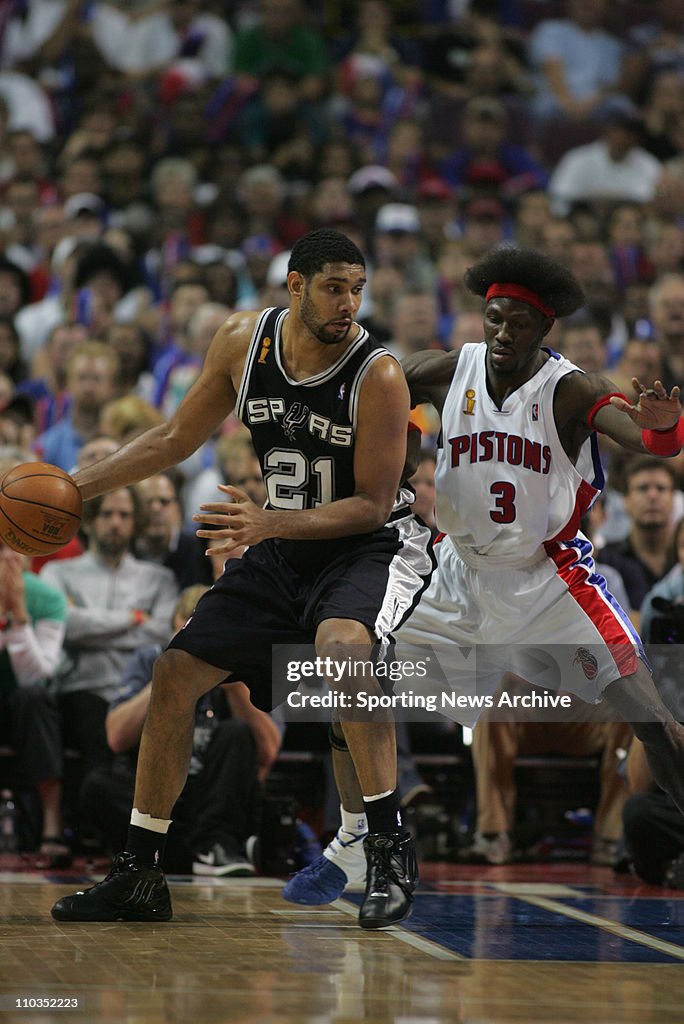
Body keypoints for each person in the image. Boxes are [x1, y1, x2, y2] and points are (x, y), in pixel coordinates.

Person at [49, 228, 435, 929]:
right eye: (333, 287)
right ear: (295, 286)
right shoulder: (241, 342)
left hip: (368, 547)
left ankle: (387, 850)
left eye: (357, 288)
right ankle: (141, 874)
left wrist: (269, 523)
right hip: (279, 546)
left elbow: (373, 505)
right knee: (174, 675)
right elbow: (173, 439)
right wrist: (76, 487)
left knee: (344, 653)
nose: (349, 302)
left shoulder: (377, 372)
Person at [283, 243, 684, 904]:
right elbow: (387, 388)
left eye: (517, 324)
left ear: (543, 329)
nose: (501, 333)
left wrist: (665, 433)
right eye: (492, 318)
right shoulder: (449, 369)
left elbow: (640, 436)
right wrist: (407, 432)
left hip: (549, 580)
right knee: (352, 674)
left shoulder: (570, 388)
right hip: (458, 574)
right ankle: (358, 839)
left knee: (647, 714)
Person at [81, 585, 281, 877]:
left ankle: (213, 845)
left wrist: (232, 680)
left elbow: (269, 751)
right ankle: (179, 853)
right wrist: (170, 676)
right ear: (176, 627)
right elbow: (117, 738)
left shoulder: (249, 663)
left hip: (216, 796)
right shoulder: (149, 658)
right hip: (162, 792)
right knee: (97, 786)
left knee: (237, 731)